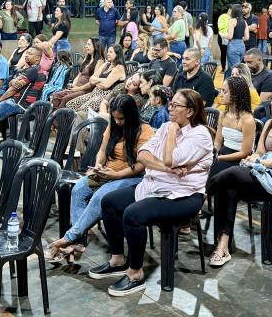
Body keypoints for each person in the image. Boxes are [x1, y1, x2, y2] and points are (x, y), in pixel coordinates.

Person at [90, 89, 214, 296]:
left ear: (190, 111)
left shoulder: (199, 134)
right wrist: (167, 169)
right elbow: (143, 154)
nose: (170, 108)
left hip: (183, 195)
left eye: (176, 106)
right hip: (155, 185)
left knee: (133, 214)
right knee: (109, 201)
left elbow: (170, 158)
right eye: (171, 104)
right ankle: (118, 259)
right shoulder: (165, 127)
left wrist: (172, 133)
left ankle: (135, 274)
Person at [45, 94, 154, 264]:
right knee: (79, 190)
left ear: (131, 115)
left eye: (121, 119)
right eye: (115, 118)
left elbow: (142, 165)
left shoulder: (145, 131)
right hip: (109, 172)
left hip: (134, 177)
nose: (118, 122)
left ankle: (70, 238)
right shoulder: (113, 126)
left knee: (100, 196)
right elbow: (102, 151)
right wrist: (98, 166)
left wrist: (116, 175)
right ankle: (79, 242)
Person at [207, 85, 272, 252]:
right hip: (263, 174)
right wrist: (253, 158)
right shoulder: (270, 123)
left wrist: (264, 163)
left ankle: (202, 194)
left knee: (231, 173)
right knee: (227, 188)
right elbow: (259, 152)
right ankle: (223, 244)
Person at [205, 77, 256, 264]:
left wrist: (220, 159)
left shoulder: (248, 120)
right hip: (223, 158)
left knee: (227, 189)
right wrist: (212, 156)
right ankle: (222, 242)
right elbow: (218, 143)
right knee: (218, 181)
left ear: (235, 95)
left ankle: (222, 244)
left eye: (224, 91)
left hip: (238, 162)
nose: (221, 94)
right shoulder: (223, 115)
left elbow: (245, 152)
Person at [0, 46, 47, 129]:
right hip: (16, 101)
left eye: (30, 54)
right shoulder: (30, 69)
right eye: (26, 53)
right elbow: (11, 84)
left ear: (37, 58)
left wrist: (0, 100)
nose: (26, 55)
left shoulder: (33, 70)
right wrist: (13, 81)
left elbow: (13, 89)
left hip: (20, 104)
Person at [65, 43, 125, 116]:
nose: (108, 54)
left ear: (117, 54)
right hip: (94, 93)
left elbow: (105, 85)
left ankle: (79, 122)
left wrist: (97, 81)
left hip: (104, 97)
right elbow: (91, 79)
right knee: (70, 105)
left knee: (82, 110)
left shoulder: (119, 68)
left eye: (111, 52)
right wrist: (102, 80)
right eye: (108, 51)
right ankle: (68, 122)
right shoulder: (106, 64)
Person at [51, 38, 104, 109]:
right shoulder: (86, 59)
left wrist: (78, 89)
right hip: (76, 87)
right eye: (86, 44)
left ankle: (61, 115)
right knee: (56, 96)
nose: (86, 46)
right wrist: (73, 85)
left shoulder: (100, 61)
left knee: (65, 99)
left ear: (95, 46)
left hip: (86, 90)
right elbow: (79, 75)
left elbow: (93, 82)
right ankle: (54, 114)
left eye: (88, 44)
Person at [216, 5, 230, 72]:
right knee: (224, 52)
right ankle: (224, 68)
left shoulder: (233, 17)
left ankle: (227, 69)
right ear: (229, 10)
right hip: (223, 37)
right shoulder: (223, 16)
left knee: (227, 53)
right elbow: (220, 27)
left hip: (228, 37)